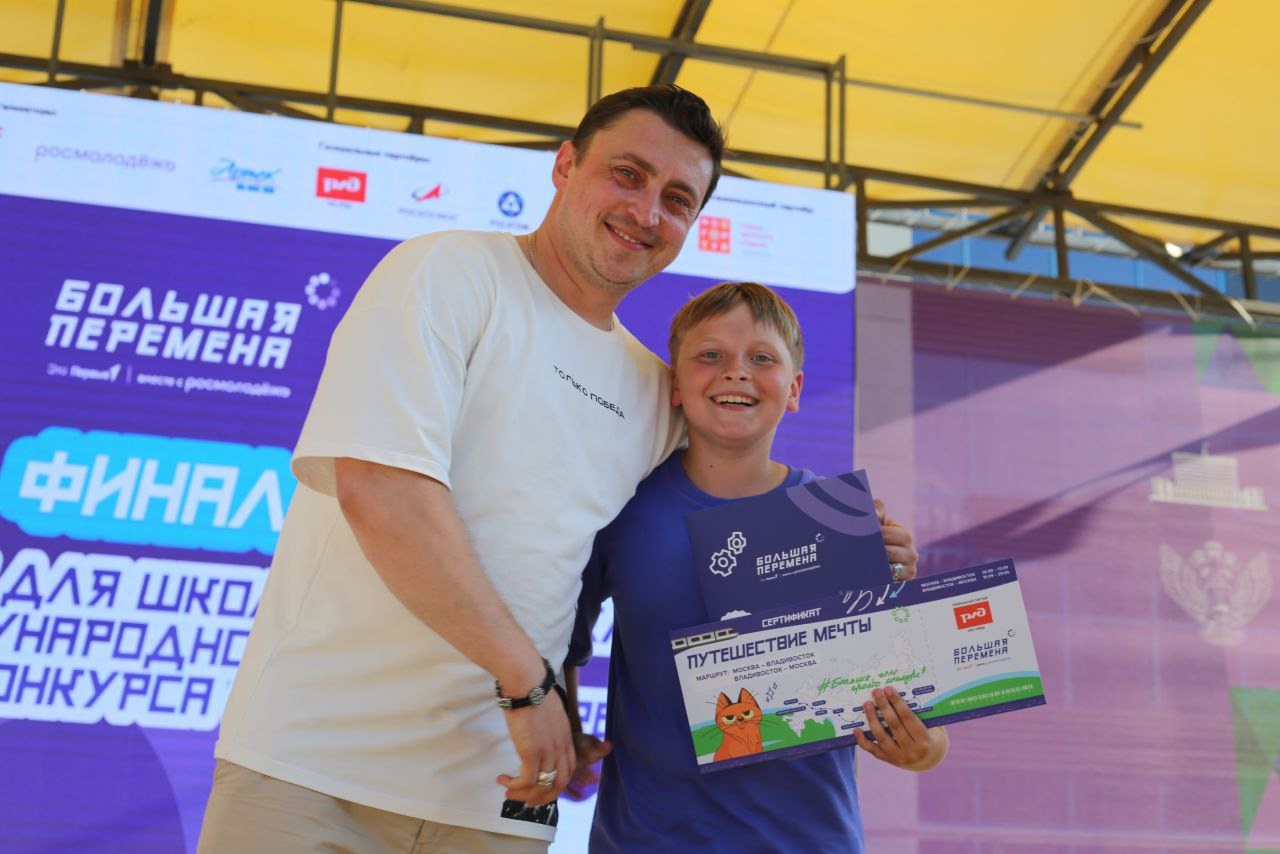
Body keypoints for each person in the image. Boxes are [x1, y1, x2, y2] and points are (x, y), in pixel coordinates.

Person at [198, 84, 725, 853]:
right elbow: (383, 490)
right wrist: (530, 686)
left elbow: (606, 576)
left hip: (503, 798)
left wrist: (860, 550)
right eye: (628, 174)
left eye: (677, 199)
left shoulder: (654, 391)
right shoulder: (448, 272)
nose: (647, 211)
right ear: (566, 165)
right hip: (316, 768)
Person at [565, 281, 946, 852]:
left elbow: (926, 727)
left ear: (794, 389)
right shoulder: (620, 506)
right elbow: (561, 640)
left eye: (762, 358)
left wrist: (919, 749)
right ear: (675, 384)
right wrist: (565, 727)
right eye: (710, 354)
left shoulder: (843, 521)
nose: (736, 372)